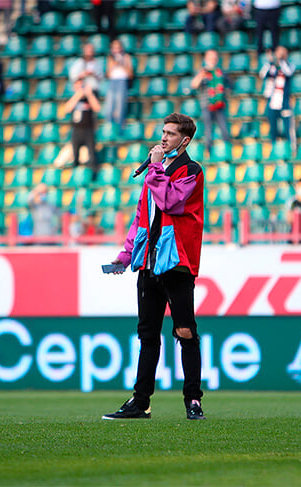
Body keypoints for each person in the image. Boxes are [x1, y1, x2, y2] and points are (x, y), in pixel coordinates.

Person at [102, 113, 206, 421]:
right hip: (148, 262)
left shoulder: (191, 171)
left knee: (185, 331)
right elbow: (142, 217)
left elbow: (170, 201)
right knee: (148, 335)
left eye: (171, 134)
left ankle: (193, 400)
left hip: (177, 264)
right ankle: (140, 402)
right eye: (163, 132)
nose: (163, 138)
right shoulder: (154, 172)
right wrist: (125, 254)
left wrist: (156, 168)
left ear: (184, 141)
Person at [191, 49, 231, 153]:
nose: (212, 60)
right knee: (208, 131)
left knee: (224, 130)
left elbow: (229, 86)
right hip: (206, 105)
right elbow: (194, 85)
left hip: (220, 105)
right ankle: (209, 152)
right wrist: (201, 74)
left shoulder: (220, 72)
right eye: (210, 58)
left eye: (214, 58)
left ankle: (227, 151)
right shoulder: (202, 72)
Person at [62, 80, 101, 173]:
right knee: (75, 154)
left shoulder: (89, 99)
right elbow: (67, 109)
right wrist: (77, 95)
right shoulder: (74, 99)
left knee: (92, 154)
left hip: (88, 130)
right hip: (76, 130)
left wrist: (89, 94)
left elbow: (97, 108)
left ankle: (93, 174)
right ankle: (75, 173)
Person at [259, 46, 294, 144]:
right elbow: (262, 74)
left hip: (285, 102)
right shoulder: (271, 67)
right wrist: (270, 62)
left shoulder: (288, 65)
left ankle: (291, 147)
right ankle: (274, 146)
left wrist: (281, 60)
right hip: (272, 102)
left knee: (288, 126)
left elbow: (288, 72)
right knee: (273, 127)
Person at [105, 39, 134, 132]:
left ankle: (120, 128)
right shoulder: (110, 58)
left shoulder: (126, 57)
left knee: (120, 106)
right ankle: (109, 129)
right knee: (110, 107)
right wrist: (114, 64)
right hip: (112, 82)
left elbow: (130, 74)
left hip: (122, 82)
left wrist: (122, 64)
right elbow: (108, 74)